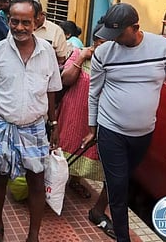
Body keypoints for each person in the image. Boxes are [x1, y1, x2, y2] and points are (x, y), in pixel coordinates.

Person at [83, 3, 166, 242]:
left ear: (135, 27)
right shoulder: (104, 53)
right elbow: (94, 92)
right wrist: (93, 127)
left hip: (143, 134)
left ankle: (96, 210)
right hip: (110, 130)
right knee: (119, 186)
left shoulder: (163, 48)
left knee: (122, 178)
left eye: (119, 34)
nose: (113, 40)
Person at [0, 0, 62, 242]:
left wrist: (53, 124)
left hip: (35, 127)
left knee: (36, 181)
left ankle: (33, 236)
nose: (20, 28)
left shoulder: (47, 52)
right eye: (15, 22)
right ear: (9, 20)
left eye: (26, 22)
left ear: (37, 21)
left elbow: (52, 91)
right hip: (2, 125)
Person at [58, 23, 115, 239]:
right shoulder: (79, 54)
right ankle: (65, 185)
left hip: (100, 119)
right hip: (74, 114)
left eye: (107, 44)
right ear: (94, 42)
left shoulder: (116, 63)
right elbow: (66, 79)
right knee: (67, 149)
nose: (102, 48)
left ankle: (82, 189)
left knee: (94, 156)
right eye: (99, 43)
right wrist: (82, 57)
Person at [33, 0, 68, 65]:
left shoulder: (56, 31)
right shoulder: (20, 30)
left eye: (35, 19)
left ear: (42, 14)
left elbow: (61, 60)